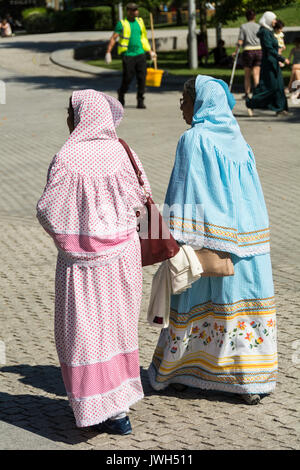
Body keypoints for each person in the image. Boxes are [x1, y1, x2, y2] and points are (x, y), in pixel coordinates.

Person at [148, 75, 277, 406]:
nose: (181, 105)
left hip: (205, 242)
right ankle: (249, 381)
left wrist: (172, 236)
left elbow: (183, 188)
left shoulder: (193, 139)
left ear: (200, 103)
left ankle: (178, 372)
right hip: (247, 244)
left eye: (184, 99)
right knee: (241, 312)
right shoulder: (239, 141)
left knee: (193, 308)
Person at [36, 89, 152, 434]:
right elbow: (141, 199)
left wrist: (72, 235)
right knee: (118, 329)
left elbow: (47, 209)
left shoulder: (66, 156)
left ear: (81, 116)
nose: (68, 119)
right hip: (123, 258)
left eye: (70, 112)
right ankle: (120, 408)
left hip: (82, 263)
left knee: (84, 332)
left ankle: (94, 409)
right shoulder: (121, 151)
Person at [105, 3, 156, 109]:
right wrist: (108, 52)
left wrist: (150, 51)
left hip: (140, 54)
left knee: (142, 78)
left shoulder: (140, 22)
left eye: (136, 10)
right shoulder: (122, 24)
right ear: (128, 11)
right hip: (128, 55)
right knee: (128, 78)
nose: (135, 12)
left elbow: (143, 39)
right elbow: (114, 38)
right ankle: (121, 93)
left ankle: (140, 99)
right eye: (133, 10)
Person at [246, 11, 289, 117]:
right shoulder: (264, 32)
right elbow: (269, 49)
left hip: (273, 62)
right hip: (269, 63)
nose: (275, 21)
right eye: (273, 19)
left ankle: (280, 108)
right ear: (269, 20)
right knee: (271, 87)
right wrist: (282, 59)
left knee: (279, 86)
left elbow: (273, 46)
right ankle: (251, 103)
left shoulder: (268, 31)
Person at [233, 10, 262, 99]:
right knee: (256, 73)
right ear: (255, 17)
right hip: (258, 50)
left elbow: (240, 41)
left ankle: (247, 93)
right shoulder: (259, 26)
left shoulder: (243, 27)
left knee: (247, 74)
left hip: (248, 51)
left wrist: (236, 51)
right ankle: (257, 92)